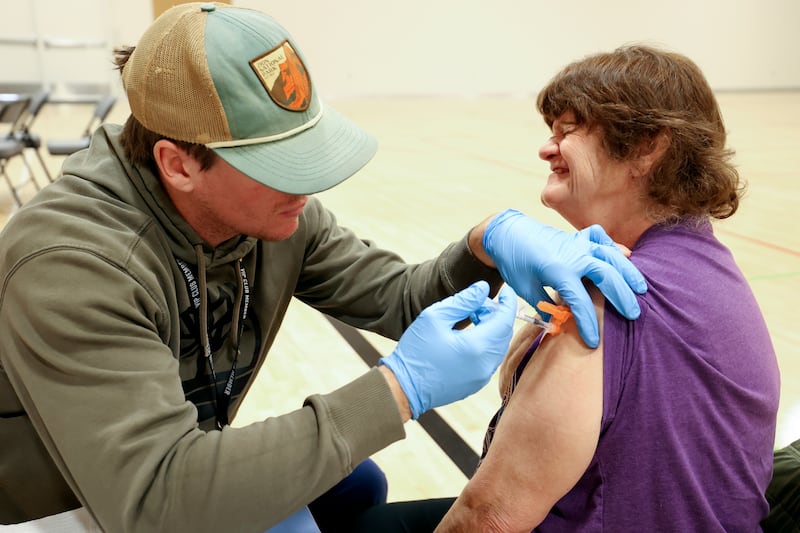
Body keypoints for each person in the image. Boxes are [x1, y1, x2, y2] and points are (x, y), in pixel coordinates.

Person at [0, 4, 647, 533]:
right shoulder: (72, 262)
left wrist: (485, 243)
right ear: (178, 163)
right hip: (61, 509)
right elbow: (156, 500)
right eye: (277, 166)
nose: (305, 188)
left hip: (153, 479)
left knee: (356, 483)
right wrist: (399, 389)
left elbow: (398, 297)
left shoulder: (272, 215)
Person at [353, 45, 782, 532]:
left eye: (569, 130)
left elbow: (488, 517)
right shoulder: (704, 263)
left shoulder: (612, 299)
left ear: (647, 147)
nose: (546, 147)